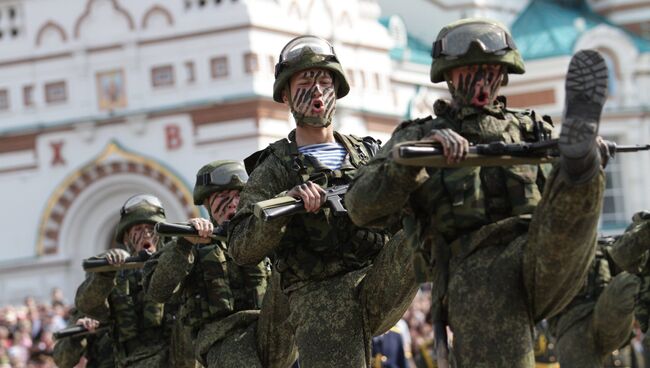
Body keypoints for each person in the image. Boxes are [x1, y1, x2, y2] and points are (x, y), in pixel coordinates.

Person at [344, 18, 608, 366]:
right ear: (449, 76)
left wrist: (583, 156)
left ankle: (582, 165)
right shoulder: (418, 136)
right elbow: (360, 207)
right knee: (496, 306)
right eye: (470, 71)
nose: (482, 82)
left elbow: (560, 212)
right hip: (471, 267)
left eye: (490, 71)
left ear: (503, 74)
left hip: (541, 255)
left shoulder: (530, 130)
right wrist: (411, 163)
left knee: (573, 192)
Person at [228, 35, 419, 367]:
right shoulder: (275, 167)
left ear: (337, 89)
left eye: (324, 81)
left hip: (377, 275)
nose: (317, 90)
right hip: (318, 293)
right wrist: (284, 205)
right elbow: (241, 247)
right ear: (285, 95)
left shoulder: (367, 152)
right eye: (305, 82)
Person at [144, 160, 296, 367]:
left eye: (238, 197)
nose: (233, 204)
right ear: (207, 205)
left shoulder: (262, 233)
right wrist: (184, 244)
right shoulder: (191, 243)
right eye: (223, 199)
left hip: (272, 329)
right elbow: (158, 291)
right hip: (223, 337)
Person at [75, 194, 191, 368]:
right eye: (137, 229)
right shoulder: (115, 275)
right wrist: (105, 274)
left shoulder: (181, 258)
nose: (145, 234)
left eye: (151, 228)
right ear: (127, 237)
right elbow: (88, 305)